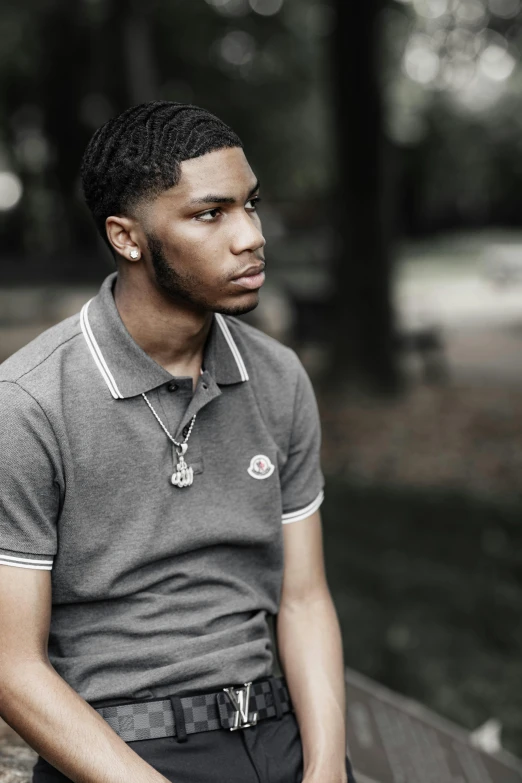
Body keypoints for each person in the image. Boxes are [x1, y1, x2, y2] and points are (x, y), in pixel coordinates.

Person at [0, 101, 356, 783]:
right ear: (127, 238)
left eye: (251, 205)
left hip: (277, 733)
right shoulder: (26, 405)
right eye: (210, 214)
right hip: (120, 751)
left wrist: (324, 768)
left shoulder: (277, 378)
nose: (251, 235)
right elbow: (13, 665)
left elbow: (305, 598)